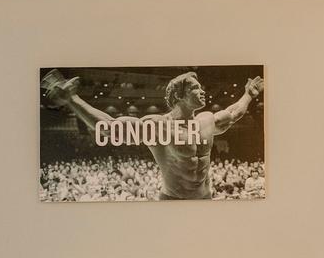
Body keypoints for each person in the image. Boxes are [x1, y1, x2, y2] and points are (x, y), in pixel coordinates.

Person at [41, 69, 263, 200]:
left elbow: (233, 113)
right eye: (195, 88)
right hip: (173, 201)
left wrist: (249, 95)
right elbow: (109, 127)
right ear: (179, 95)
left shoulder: (206, 120)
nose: (202, 91)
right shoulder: (158, 126)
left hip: (206, 198)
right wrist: (72, 99)